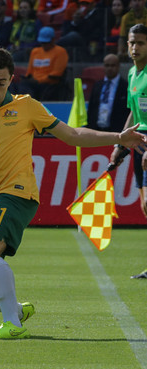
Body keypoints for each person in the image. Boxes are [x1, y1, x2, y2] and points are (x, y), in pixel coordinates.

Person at [0, 47, 147, 339]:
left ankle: (12, 324)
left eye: (2, 82)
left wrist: (118, 137)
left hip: (17, 194)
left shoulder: (26, 106)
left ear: (12, 80)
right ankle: (16, 310)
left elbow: (72, 135)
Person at [110, 24, 147, 279]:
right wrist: (119, 145)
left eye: (140, 43)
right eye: (132, 43)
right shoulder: (133, 74)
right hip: (138, 145)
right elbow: (133, 113)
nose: (134, 47)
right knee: (146, 206)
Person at [18, 26, 69, 101]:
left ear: (52, 40)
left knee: (30, 88)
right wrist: (28, 78)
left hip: (49, 84)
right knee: (20, 86)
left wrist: (39, 80)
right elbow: (30, 71)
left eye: (46, 42)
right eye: (42, 42)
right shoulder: (35, 51)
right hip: (34, 82)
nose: (44, 45)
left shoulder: (60, 52)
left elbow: (57, 73)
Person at [86, 54, 130, 132]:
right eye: (107, 65)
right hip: (96, 131)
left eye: (113, 65)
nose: (110, 68)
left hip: (116, 132)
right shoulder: (97, 85)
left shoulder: (126, 87)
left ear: (118, 66)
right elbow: (91, 109)